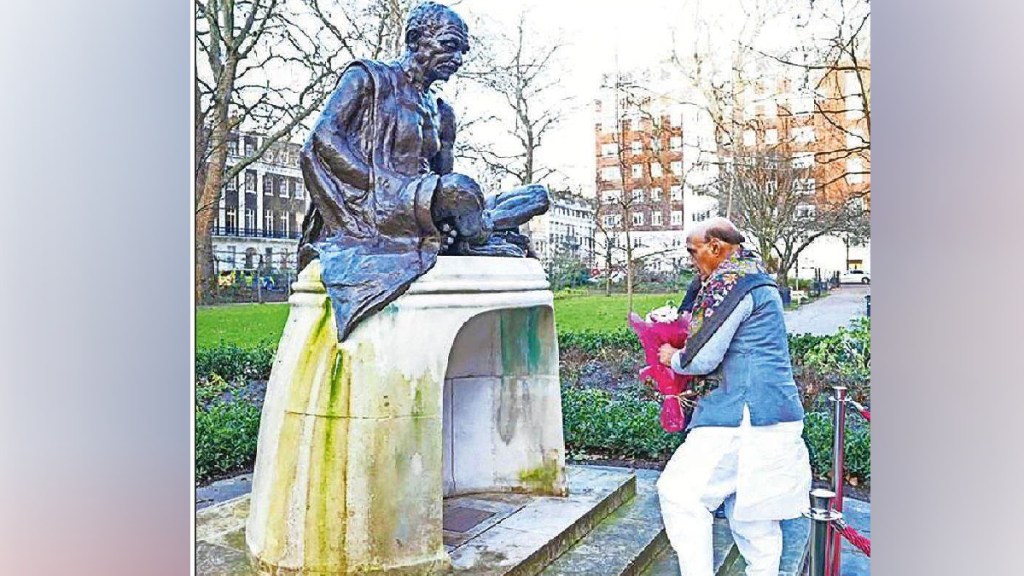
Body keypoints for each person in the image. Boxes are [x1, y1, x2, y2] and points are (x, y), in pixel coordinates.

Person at [295, 1, 544, 340]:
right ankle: (478, 237)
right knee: (463, 191)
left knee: (536, 196)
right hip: (377, 200)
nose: (458, 58)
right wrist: (376, 186)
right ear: (415, 39)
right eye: (449, 45)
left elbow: (442, 180)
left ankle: (478, 228)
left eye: (463, 51)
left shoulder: (440, 110)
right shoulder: (368, 78)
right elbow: (323, 138)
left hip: (420, 203)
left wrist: (447, 163)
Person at [655, 217, 811, 576]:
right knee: (753, 519)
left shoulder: (733, 284)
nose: (693, 262)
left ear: (715, 246)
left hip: (742, 415)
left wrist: (671, 358)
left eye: (694, 253)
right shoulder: (753, 278)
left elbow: (703, 356)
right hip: (771, 415)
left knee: (680, 493)